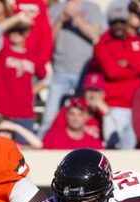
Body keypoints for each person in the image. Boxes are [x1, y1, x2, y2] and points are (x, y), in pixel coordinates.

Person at [92, 1, 140, 149]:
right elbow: (112, 72)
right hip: (114, 105)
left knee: (131, 149)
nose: (119, 26)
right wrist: (136, 69)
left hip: (137, 105)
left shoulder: (136, 41)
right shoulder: (103, 42)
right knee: (113, 147)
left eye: (122, 22)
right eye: (115, 22)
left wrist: (127, 65)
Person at [40, 0, 104, 137]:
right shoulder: (56, 9)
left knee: (83, 115)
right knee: (49, 116)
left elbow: (95, 35)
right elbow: (47, 40)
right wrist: (60, 20)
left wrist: (75, 17)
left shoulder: (93, 8)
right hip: (60, 71)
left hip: (85, 72)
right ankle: (43, 144)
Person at [0, 12, 47, 134]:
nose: (15, 33)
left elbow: (46, 77)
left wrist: (33, 90)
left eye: (20, 30)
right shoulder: (0, 51)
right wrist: (18, 17)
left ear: (27, 33)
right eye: (12, 29)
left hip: (24, 115)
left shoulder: (33, 56)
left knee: (26, 152)